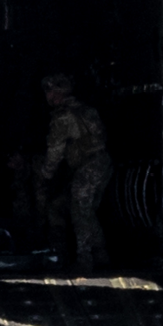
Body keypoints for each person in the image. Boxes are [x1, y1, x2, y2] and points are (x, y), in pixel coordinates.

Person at [34, 74, 111, 271]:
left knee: (79, 211)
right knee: (85, 211)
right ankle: (100, 255)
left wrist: (46, 174)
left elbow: (55, 151)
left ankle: (85, 260)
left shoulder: (63, 116)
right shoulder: (85, 109)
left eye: (49, 92)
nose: (47, 96)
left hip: (89, 167)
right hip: (101, 164)